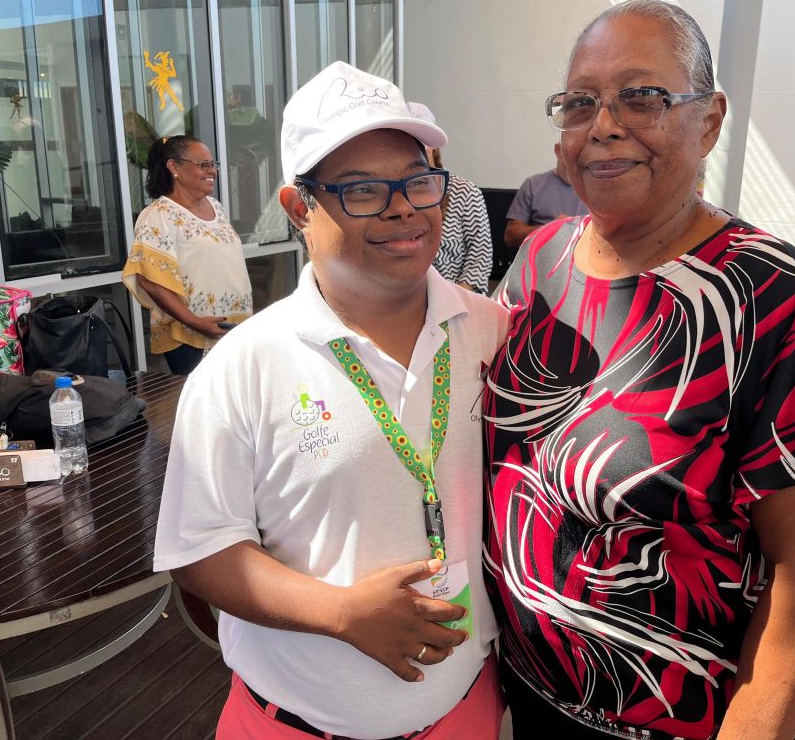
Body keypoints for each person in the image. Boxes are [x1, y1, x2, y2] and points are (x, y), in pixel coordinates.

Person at [484, 0, 795, 740]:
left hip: (678, 722)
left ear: (709, 120)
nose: (605, 124)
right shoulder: (541, 258)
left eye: (642, 96)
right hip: (524, 695)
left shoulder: (764, 293)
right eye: (580, 103)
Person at [154, 61, 508, 740]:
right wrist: (341, 613)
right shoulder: (244, 364)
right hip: (292, 725)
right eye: (364, 190)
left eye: (418, 181)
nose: (404, 207)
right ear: (298, 208)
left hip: (465, 711)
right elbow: (201, 549)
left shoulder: (493, 331)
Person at [122, 135, 252, 375]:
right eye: (203, 164)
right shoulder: (158, 215)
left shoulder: (216, 207)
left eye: (213, 164)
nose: (211, 170)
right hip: (193, 335)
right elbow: (148, 280)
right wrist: (194, 322)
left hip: (232, 330)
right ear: (174, 167)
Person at [407, 102, 492, 294]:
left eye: (421, 142)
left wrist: (452, 301)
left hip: (458, 301)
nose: (414, 148)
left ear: (434, 147)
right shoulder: (393, 195)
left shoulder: (464, 191)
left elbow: (480, 255)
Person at [503, 142, 586, 248]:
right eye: (571, 150)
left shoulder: (598, 189)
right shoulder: (533, 185)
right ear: (558, 149)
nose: (575, 158)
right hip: (540, 261)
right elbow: (510, 236)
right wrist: (549, 229)